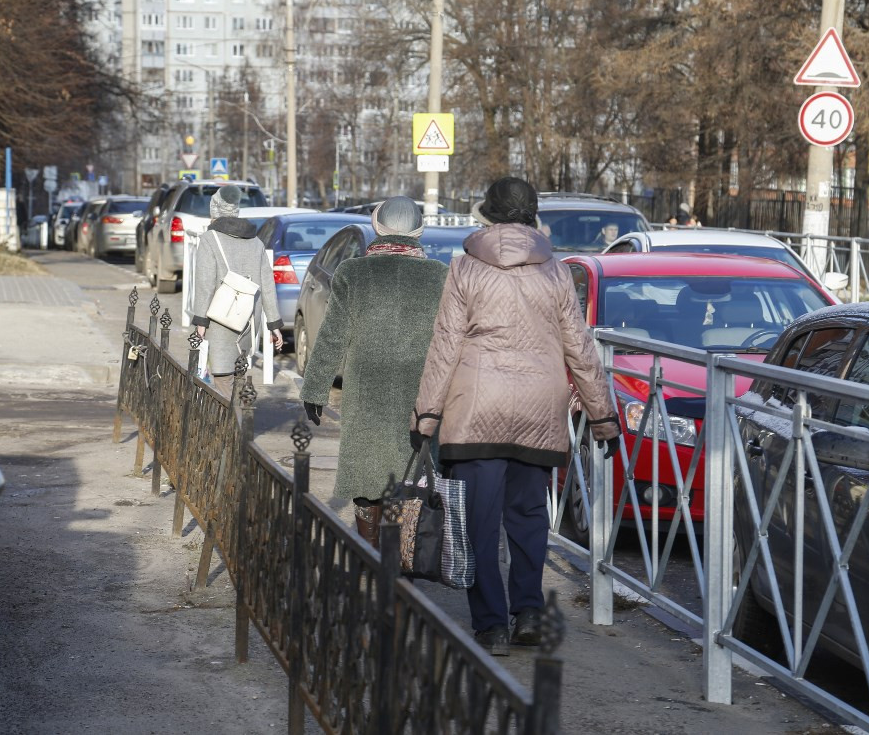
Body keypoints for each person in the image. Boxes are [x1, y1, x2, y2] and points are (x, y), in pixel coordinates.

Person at [412, 177, 621, 656]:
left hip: (475, 413)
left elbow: (446, 344)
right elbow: (580, 349)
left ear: (488, 214)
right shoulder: (554, 273)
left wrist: (426, 414)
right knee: (528, 518)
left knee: (477, 524)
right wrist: (602, 415)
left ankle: (491, 626)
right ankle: (527, 611)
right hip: (538, 411)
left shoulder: (464, 268)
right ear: (532, 216)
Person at [300, 197, 448, 547]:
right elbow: (450, 341)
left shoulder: (353, 272)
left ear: (376, 226)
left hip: (367, 396)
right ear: (419, 230)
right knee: (412, 481)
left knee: (367, 483)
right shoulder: (439, 275)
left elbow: (332, 335)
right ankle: (402, 562)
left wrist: (314, 390)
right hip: (421, 397)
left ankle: (370, 555)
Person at [191, 185, 283, 396]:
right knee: (239, 372)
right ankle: (241, 419)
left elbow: (205, 284)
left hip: (219, 319)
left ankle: (233, 425)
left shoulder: (209, 240)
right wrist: (274, 325)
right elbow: (267, 284)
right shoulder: (256, 242)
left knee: (222, 379)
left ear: (214, 210)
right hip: (248, 319)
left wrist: (200, 323)